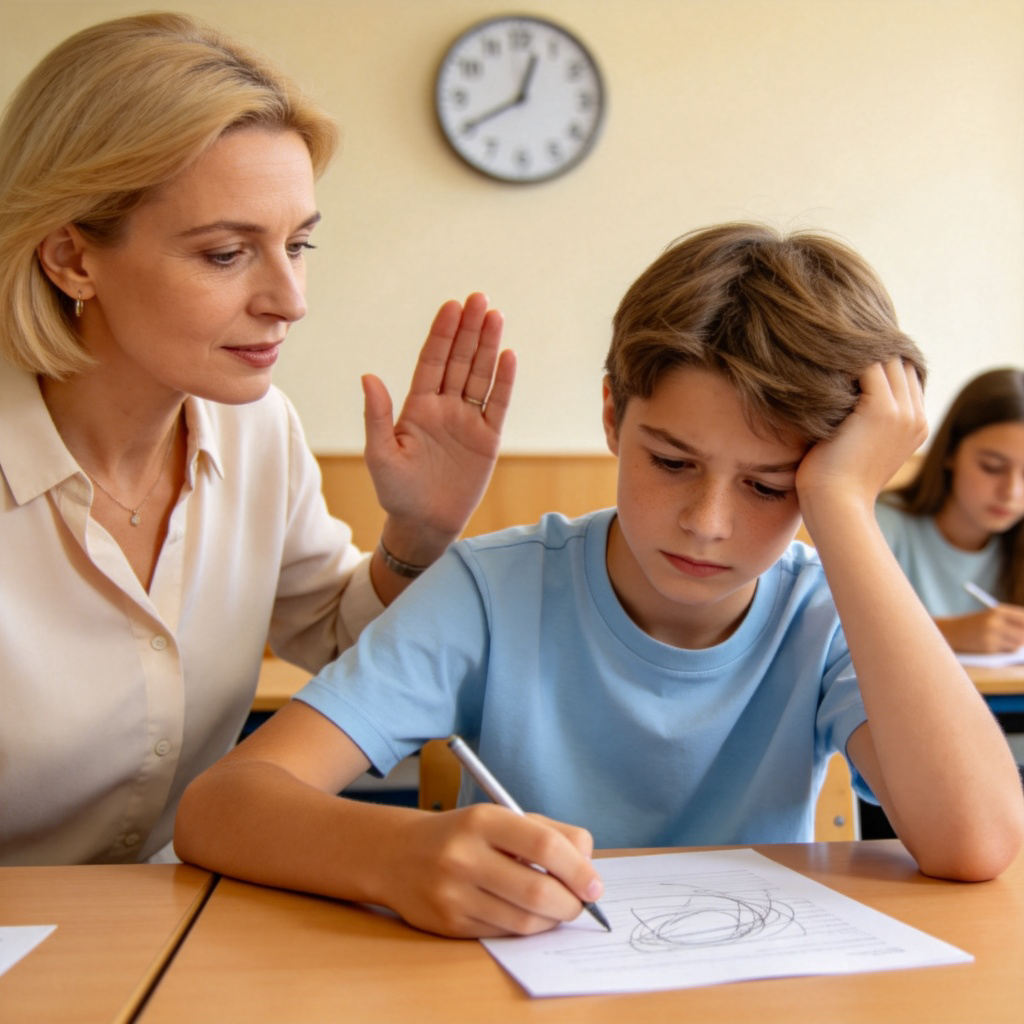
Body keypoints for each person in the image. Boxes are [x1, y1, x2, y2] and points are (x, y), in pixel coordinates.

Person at [174, 224, 1024, 938]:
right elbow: (221, 808)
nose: (708, 522)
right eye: (671, 461)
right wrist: (395, 854)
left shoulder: (828, 611)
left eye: (770, 485)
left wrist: (841, 502)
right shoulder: (491, 591)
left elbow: (977, 840)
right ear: (614, 413)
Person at [0, 13, 515, 865]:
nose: (290, 298)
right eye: (227, 254)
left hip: (179, 925)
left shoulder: (255, 430)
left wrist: (419, 532)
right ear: (71, 258)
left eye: (299, 244)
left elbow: (335, 636)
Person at [875, 368, 1024, 654]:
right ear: (950, 452)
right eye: (992, 467)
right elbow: (834, 632)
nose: (1011, 493)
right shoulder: (881, 526)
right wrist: (947, 632)